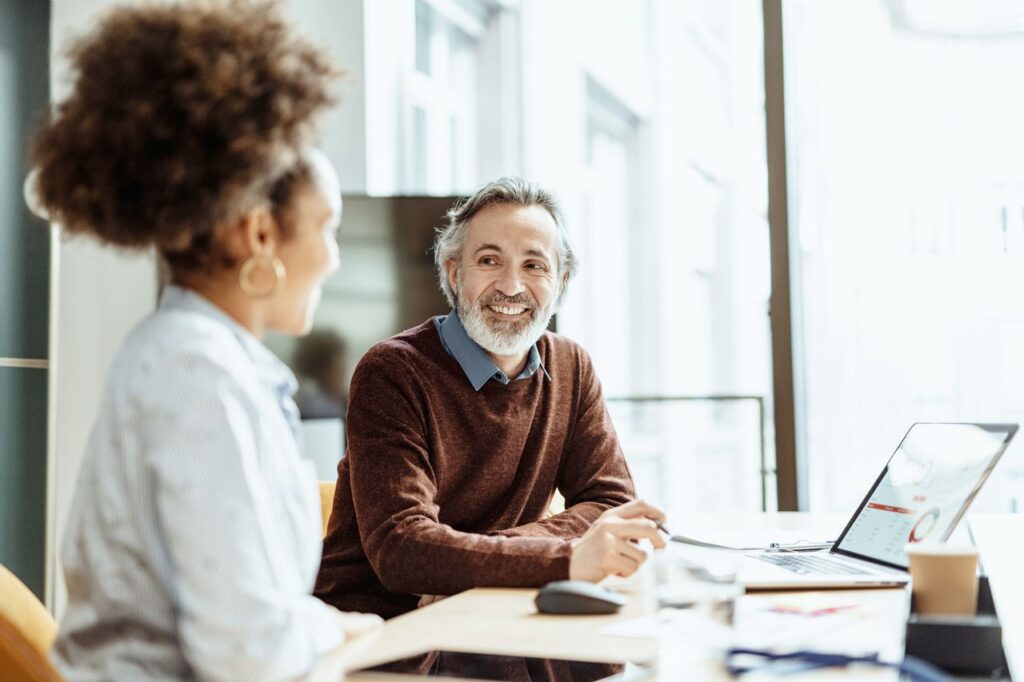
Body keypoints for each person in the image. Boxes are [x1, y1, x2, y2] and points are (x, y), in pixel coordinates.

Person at [29, 2, 380, 679]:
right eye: (327, 228)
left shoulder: (196, 357)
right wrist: (329, 635)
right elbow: (249, 653)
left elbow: (253, 618)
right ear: (257, 235)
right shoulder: (196, 373)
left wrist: (324, 625)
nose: (333, 258)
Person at [316, 177, 666, 619]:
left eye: (535, 265)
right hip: (391, 629)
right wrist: (563, 559)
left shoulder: (571, 366)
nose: (512, 286)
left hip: (509, 609)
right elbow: (401, 547)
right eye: (488, 260)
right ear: (453, 272)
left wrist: (473, 566)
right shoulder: (391, 371)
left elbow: (611, 504)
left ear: (560, 283)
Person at [293, 329, 349, 421]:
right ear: (322, 372)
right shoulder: (312, 407)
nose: (343, 375)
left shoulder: (343, 400)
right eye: (338, 370)